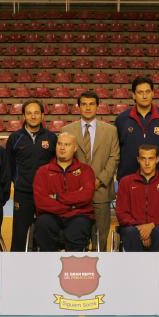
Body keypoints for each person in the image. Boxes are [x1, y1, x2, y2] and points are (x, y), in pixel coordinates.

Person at [63, 91, 119, 251]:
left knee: (100, 236)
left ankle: (100, 269)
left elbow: (114, 157)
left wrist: (100, 180)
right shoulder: (67, 130)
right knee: (76, 234)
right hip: (76, 191)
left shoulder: (110, 131)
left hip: (100, 189)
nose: (88, 107)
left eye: (91, 104)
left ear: (97, 106)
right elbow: (64, 158)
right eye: (84, 104)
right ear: (78, 107)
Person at [6, 100, 57, 251]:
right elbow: (9, 166)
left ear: (42, 115)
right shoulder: (15, 138)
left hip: (47, 193)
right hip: (23, 193)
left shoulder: (52, 138)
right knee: (20, 234)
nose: (33, 116)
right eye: (29, 113)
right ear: (24, 116)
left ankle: (47, 264)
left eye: (36, 113)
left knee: (47, 230)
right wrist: (17, 182)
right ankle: (16, 266)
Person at [32, 132, 96, 251]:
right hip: (51, 216)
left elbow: (86, 196)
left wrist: (57, 197)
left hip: (78, 217)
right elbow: (41, 202)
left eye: (67, 144)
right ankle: (49, 263)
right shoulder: (43, 171)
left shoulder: (86, 170)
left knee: (79, 226)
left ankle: (73, 265)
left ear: (75, 148)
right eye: (59, 144)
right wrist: (71, 206)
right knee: (42, 224)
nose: (62, 148)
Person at [115, 144, 159, 252]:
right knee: (131, 232)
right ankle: (136, 268)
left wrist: (152, 225)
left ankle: (155, 268)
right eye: (143, 158)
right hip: (133, 229)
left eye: (151, 158)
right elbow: (121, 213)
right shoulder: (126, 182)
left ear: (157, 159)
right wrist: (140, 228)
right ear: (138, 159)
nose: (147, 163)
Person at [114, 76, 159, 179]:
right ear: (133, 95)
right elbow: (116, 150)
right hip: (128, 178)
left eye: (147, 92)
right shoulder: (122, 119)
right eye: (140, 92)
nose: (144, 96)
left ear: (153, 93)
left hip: (158, 177)